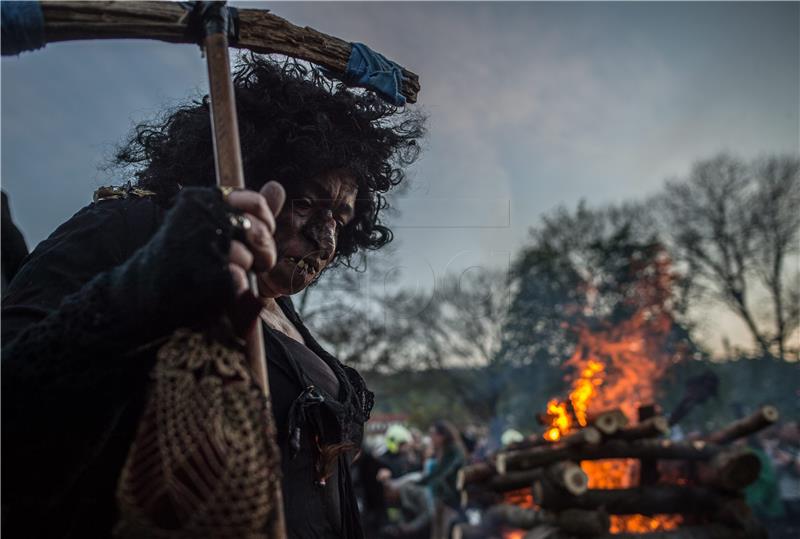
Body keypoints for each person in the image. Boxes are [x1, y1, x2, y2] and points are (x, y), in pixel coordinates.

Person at [1, 55, 424, 538]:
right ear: (248, 175)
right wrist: (146, 286)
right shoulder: (131, 230)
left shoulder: (278, 307)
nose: (325, 240)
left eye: (340, 220)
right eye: (307, 203)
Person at [419, 420, 467, 539]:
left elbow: (446, 472)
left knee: (446, 531)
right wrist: (421, 482)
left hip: (452, 499)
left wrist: (436, 483)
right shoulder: (442, 450)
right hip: (442, 498)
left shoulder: (454, 451)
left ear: (442, 436)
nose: (431, 437)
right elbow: (437, 472)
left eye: (433, 434)